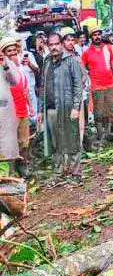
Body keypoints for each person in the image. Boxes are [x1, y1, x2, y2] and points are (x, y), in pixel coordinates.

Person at [39, 32, 83, 179]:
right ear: (48, 46)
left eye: (56, 44)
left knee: (72, 139)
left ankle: (75, 172)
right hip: (51, 108)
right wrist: (40, 110)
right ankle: (58, 171)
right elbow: (43, 86)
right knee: (55, 142)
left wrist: (76, 107)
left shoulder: (71, 60)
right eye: (51, 45)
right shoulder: (47, 61)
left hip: (68, 106)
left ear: (61, 44)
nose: (54, 47)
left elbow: (78, 85)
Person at [81, 26, 113, 146]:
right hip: (97, 88)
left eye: (99, 34)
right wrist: (86, 77)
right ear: (91, 37)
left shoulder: (107, 49)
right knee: (99, 114)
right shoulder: (86, 53)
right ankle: (101, 139)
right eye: (94, 35)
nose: (97, 37)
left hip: (110, 86)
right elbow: (81, 65)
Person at [1, 37, 33, 177]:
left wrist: (30, 106)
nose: (13, 53)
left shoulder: (21, 68)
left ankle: (23, 167)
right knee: (10, 143)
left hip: (22, 109)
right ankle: (11, 172)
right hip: (9, 113)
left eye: (15, 50)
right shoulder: (3, 68)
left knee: (24, 141)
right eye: (9, 51)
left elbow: (25, 89)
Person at [0, 50, 21, 168]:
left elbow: (15, 81)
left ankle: (8, 172)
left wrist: (5, 66)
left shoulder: (7, 62)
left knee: (8, 143)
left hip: (6, 109)